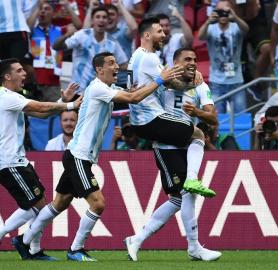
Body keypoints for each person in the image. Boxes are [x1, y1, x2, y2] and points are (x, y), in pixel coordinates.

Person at [11, 52, 182, 262]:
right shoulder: (98, 88)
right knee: (98, 203)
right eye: (110, 64)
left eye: (115, 63)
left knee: (59, 203)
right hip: (78, 156)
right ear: (99, 70)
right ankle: (76, 249)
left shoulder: (108, 89)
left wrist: (156, 83)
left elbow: (133, 92)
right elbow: (132, 98)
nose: (115, 67)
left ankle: (24, 240)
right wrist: (159, 79)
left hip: (79, 155)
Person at [124, 48, 221, 262]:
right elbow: (142, 95)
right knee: (185, 195)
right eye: (187, 59)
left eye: (195, 59)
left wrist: (197, 112)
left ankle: (137, 239)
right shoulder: (163, 84)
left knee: (180, 198)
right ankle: (193, 247)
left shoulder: (200, 85)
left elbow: (213, 119)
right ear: (175, 63)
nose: (193, 62)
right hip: (167, 146)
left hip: (184, 143)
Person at [0, 58, 82, 261]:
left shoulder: (11, 97)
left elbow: (41, 115)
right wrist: (70, 104)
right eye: (19, 70)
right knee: (38, 208)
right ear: (7, 76)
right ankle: (4, 239)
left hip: (17, 162)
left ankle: (21, 245)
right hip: (9, 164)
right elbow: (42, 107)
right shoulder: (7, 97)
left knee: (39, 208)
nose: (24, 73)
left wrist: (62, 103)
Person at [128, 17, 216, 197]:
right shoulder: (149, 58)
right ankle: (192, 178)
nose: (163, 34)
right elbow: (174, 84)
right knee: (198, 134)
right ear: (147, 35)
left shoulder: (135, 56)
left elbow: (163, 82)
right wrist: (194, 82)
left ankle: (148, 227)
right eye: (159, 31)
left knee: (179, 197)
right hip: (151, 118)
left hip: (139, 120)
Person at [53, 6, 128, 95]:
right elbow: (56, 47)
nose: (101, 20)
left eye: (104, 17)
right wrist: (67, 34)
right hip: (77, 92)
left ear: (107, 21)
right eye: (98, 17)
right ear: (92, 20)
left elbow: (123, 64)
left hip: (99, 94)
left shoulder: (112, 42)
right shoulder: (82, 35)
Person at [198, 0, 249, 113]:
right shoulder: (211, 28)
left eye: (226, 11)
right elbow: (200, 37)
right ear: (215, 11)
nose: (223, 14)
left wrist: (235, 17)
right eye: (219, 11)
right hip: (217, 81)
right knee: (217, 118)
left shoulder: (236, 26)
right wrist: (208, 22)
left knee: (241, 117)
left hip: (236, 81)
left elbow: (246, 29)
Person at [27, 0, 82, 101]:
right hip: (34, 81)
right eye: (41, 9)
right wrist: (37, 8)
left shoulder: (59, 30)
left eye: (47, 9)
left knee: (55, 113)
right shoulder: (32, 30)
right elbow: (27, 27)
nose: (43, 11)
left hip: (54, 81)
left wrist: (67, 6)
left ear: (53, 13)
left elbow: (78, 25)